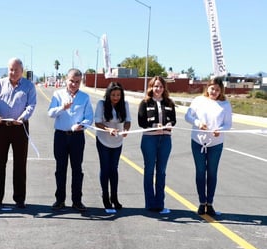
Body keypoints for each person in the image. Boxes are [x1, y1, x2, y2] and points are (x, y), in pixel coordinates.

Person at [0, 57, 37, 209]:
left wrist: (23, 117)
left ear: (22, 71)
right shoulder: (0, 84)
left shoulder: (29, 86)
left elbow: (31, 105)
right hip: (1, 126)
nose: (13, 72)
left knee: (20, 163)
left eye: (16, 70)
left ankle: (19, 198)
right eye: (10, 69)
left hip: (20, 127)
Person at [185, 77, 232, 216]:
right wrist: (198, 123)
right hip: (198, 142)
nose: (214, 92)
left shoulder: (225, 105)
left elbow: (228, 124)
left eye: (217, 90)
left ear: (221, 90)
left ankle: (209, 203)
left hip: (216, 144)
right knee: (200, 172)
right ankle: (201, 202)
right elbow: (188, 116)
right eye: (212, 88)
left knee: (212, 173)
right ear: (208, 88)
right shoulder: (199, 100)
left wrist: (220, 129)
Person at [48, 68, 94, 212]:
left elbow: (89, 118)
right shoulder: (57, 94)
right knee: (60, 169)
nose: (74, 84)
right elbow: (50, 113)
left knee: (77, 170)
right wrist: (62, 107)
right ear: (66, 80)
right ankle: (60, 200)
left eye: (77, 82)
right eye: (71, 81)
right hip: (61, 136)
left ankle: (77, 201)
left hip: (77, 137)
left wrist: (82, 125)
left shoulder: (85, 97)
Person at [137, 76, 176, 214]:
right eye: (155, 86)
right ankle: (150, 203)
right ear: (151, 87)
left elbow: (174, 120)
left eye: (160, 86)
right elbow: (141, 122)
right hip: (149, 140)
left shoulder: (170, 102)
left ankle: (160, 203)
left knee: (162, 171)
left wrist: (170, 124)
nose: (158, 89)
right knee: (149, 171)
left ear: (164, 88)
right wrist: (154, 125)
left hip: (165, 140)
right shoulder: (145, 102)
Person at [94, 82, 131, 210]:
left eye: (118, 95)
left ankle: (114, 197)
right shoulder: (101, 104)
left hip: (117, 141)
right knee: (105, 168)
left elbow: (128, 121)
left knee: (114, 169)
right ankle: (105, 196)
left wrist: (125, 130)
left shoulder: (124, 105)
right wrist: (108, 129)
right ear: (108, 94)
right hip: (103, 140)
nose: (116, 97)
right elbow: (97, 122)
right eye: (113, 95)